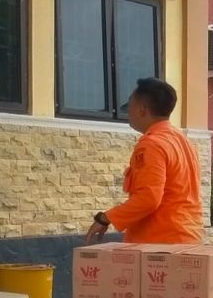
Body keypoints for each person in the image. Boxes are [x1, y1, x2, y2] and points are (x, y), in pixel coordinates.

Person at [85, 78, 203, 245]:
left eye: (130, 106)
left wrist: (106, 218)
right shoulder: (183, 142)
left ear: (142, 110)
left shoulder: (152, 144)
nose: (128, 112)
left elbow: (149, 198)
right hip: (187, 238)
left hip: (159, 244)